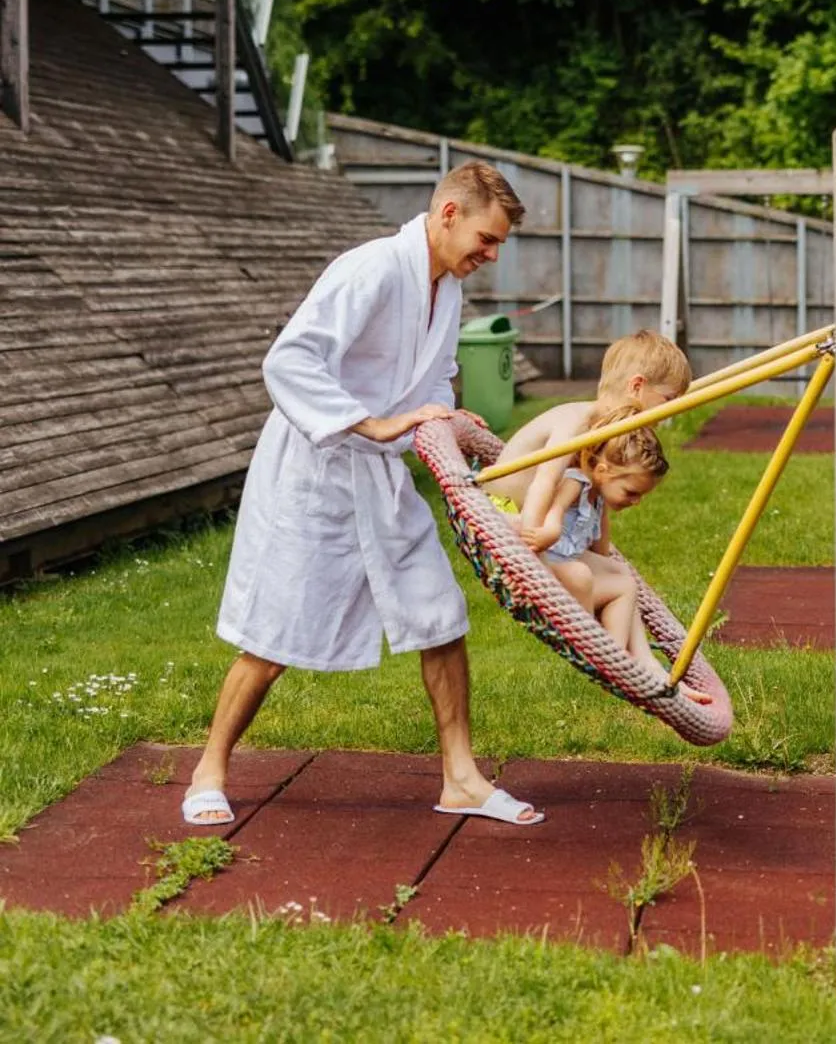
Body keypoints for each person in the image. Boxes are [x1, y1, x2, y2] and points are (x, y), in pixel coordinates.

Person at [182, 162, 541, 828]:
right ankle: (209, 769)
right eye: (486, 240)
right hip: (312, 470)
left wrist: (445, 419)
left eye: (498, 245)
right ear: (449, 214)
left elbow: (437, 378)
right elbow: (289, 360)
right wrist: (369, 422)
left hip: (380, 476)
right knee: (273, 637)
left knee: (440, 616)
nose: (490, 256)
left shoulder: (446, 288)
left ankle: (461, 778)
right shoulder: (372, 268)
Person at [515, 406, 696, 697]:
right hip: (550, 564)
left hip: (568, 563)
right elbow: (556, 509)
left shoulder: (598, 495)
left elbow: (602, 549)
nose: (636, 502)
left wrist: (609, 565)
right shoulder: (577, 481)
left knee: (623, 577)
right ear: (602, 471)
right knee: (582, 573)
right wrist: (550, 529)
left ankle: (617, 655)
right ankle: (594, 650)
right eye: (631, 492)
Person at [478, 329, 691, 512]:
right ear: (636, 387)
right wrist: (532, 533)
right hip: (503, 511)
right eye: (669, 399)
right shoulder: (576, 421)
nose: (671, 411)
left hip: (532, 514)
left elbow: (595, 497)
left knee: (607, 563)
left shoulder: (607, 429)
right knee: (577, 562)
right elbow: (546, 480)